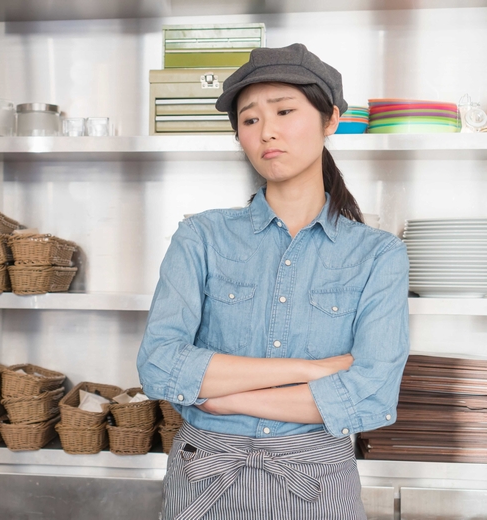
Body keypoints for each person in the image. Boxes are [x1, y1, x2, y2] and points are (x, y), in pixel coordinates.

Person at [137, 43, 409, 520]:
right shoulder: (200, 236)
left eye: (284, 110)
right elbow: (159, 364)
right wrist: (313, 369)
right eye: (250, 120)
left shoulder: (378, 253)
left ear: (331, 121)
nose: (267, 132)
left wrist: (229, 398)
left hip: (318, 482)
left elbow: (372, 394)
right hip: (204, 479)